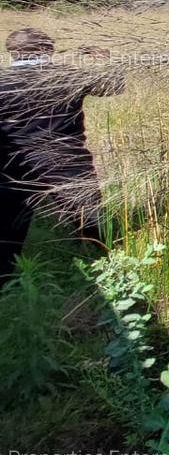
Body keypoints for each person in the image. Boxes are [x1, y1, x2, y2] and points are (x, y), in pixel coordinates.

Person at [0, 27, 123, 283]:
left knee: (7, 228)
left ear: (11, 52)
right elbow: (114, 86)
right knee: (90, 219)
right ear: (49, 49)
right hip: (65, 159)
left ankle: (7, 282)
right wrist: (105, 59)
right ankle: (112, 266)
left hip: (11, 162)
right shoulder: (67, 77)